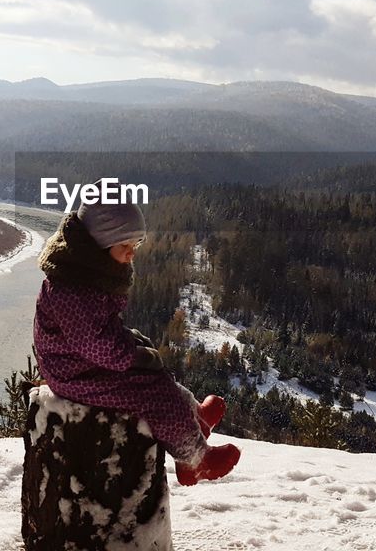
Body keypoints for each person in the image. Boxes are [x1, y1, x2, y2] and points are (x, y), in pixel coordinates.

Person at [32, 194, 241, 486]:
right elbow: (94, 343)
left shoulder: (86, 270)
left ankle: (196, 419)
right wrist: (131, 355)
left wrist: (135, 347)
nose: (132, 253)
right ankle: (194, 460)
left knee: (157, 376)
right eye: (126, 246)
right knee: (152, 393)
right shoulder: (71, 289)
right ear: (100, 245)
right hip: (73, 373)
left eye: (136, 246)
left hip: (82, 360)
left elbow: (99, 330)